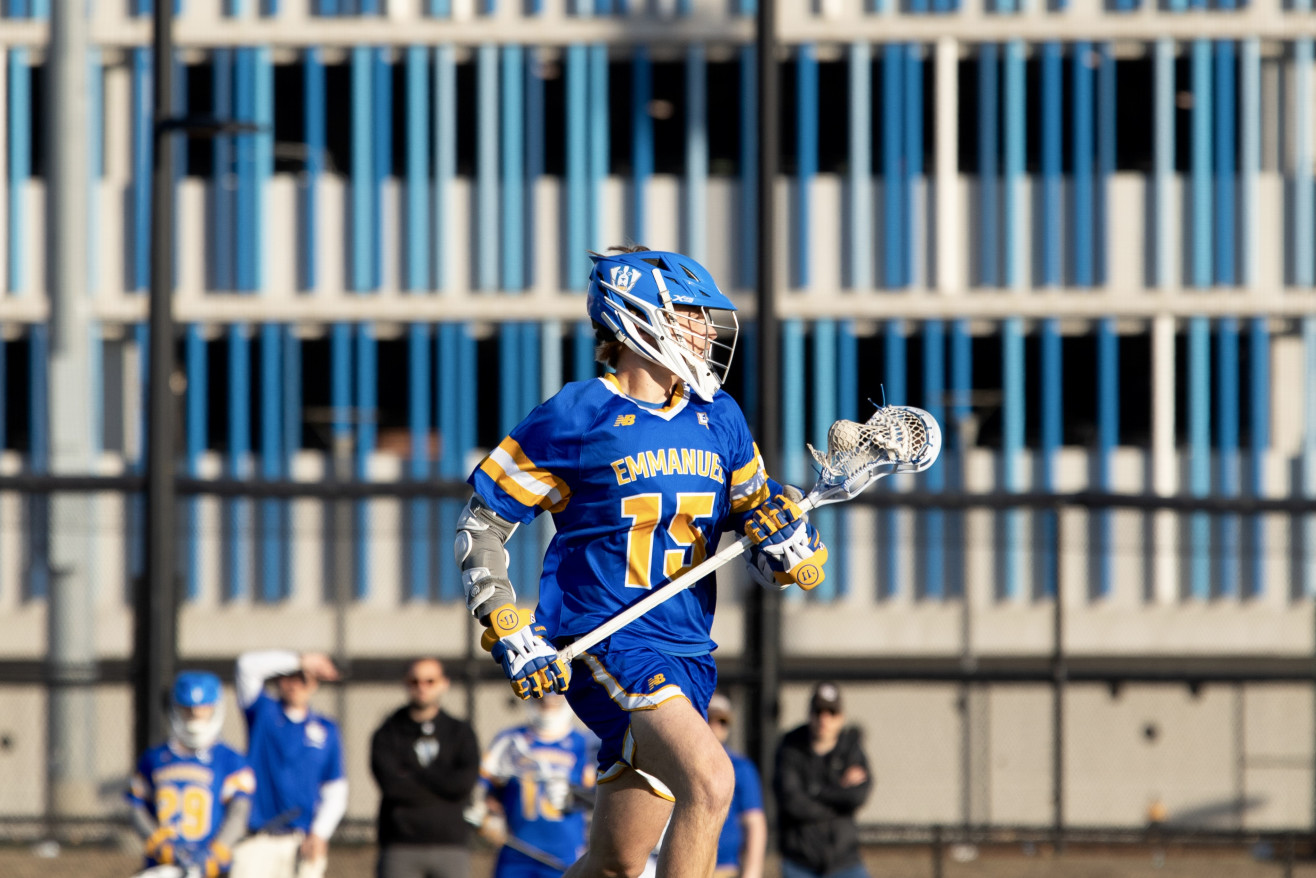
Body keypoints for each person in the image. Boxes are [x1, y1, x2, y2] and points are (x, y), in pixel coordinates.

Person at [454, 245, 829, 878]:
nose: (706, 330)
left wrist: (791, 544)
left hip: (690, 651)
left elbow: (763, 542)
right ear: (635, 316)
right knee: (711, 782)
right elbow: (481, 524)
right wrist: (505, 622)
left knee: (616, 864)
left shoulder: (721, 418)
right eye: (690, 314)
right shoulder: (575, 416)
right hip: (606, 641)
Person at [229, 651, 348, 878]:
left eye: (302, 678)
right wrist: (301, 661)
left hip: (301, 841)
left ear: (314, 684)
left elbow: (335, 790)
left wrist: (319, 833)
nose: (294, 684)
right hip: (258, 839)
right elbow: (246, 666)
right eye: (286, 676)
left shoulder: (326, 729)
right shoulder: (263, 712)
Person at [126, 670, 256, 877]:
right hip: (163, 864)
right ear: (176, 709)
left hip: (211, 869)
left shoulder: (231, 760)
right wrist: (160, 844)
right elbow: (136, 806)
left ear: (215, 708)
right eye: (188, 709)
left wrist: (218, 851)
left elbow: (239, 812)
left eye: (202, 709)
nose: (195, 715)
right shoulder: (154, 758)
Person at [369, 657, 482, 878]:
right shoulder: (388, 732)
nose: (422, 687)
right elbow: (393, 787)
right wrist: (443, 781)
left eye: (430, 681)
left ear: (443, 683)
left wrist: (415, 771)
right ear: (405, 683)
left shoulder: (460, 732)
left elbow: (462, 784)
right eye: (415, 681)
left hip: (451, 845)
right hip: (400, 845)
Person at [478, 693, 596, 878]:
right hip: (516, 850)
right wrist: (488, 814)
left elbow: (596, 798)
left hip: (564, 854)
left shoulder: (583, 744)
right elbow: (484, 791)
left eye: (556, 694)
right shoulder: (509, 741)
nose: (548, 699)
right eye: (541, 696)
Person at [773, 683, 873, 878]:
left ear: (841, 717)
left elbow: (858, 795)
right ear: (809, 713)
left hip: (846, 863)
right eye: (818, 712)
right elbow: (793, 802)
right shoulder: (790, 747)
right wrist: (838, 792)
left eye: (831, 712)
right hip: (799, 863)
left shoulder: (850, 747)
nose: (824, 719)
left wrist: (815, 792)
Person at [705, 693, 765, 878]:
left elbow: (754, 822)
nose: (715, 727)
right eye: (710, 719)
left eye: (722, 722)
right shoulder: (677, 763)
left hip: (725, 869)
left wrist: (752, 872)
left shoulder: (740, 767)